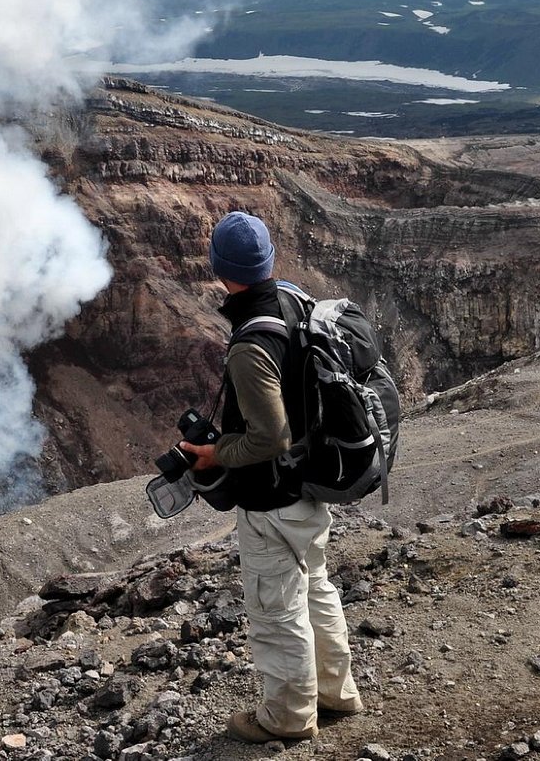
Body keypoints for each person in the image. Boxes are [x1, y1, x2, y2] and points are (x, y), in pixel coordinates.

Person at [179, 210, 364, 744]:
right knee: (317, 587)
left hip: (271, 499)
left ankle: (287, 718)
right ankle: (336, 691)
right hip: (309, 486)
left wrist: (215, 455)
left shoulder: (250, 345)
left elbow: (269, 438)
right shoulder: (292, 300)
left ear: (219, 268)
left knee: (275, 608)